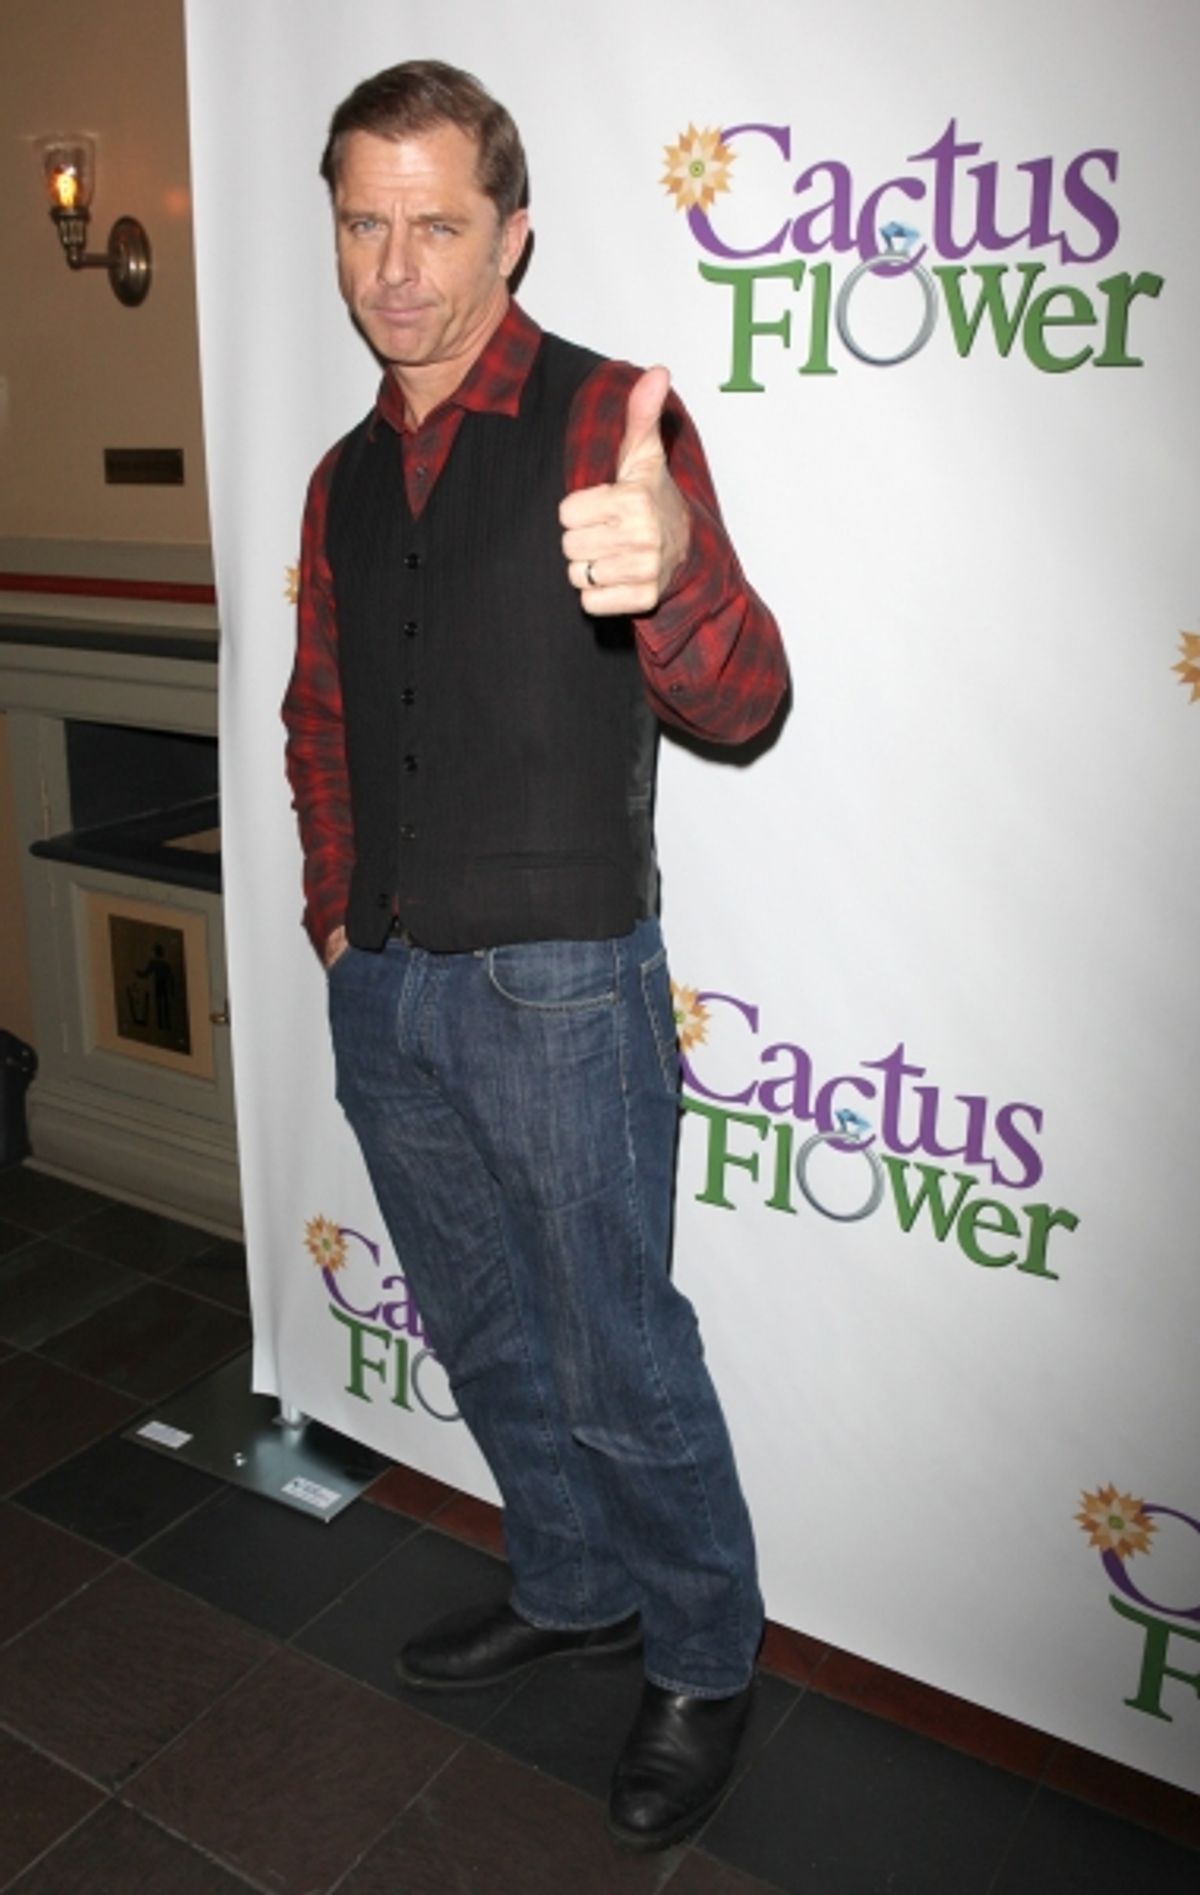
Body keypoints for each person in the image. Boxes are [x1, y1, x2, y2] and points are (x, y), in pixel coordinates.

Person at [283, 59, 788, 1852]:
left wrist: (673, 576)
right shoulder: (344, 473)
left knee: (615, 1354)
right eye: (365, 220)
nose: (396, 264)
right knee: (489, 1334)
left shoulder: (602, 424)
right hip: (393, 993)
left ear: (509, 231)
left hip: (563, 992)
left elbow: (746, 701)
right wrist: (339, 909)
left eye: (436, 222)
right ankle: (572, 1584)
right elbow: (319, 711)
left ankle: (709, 1656)